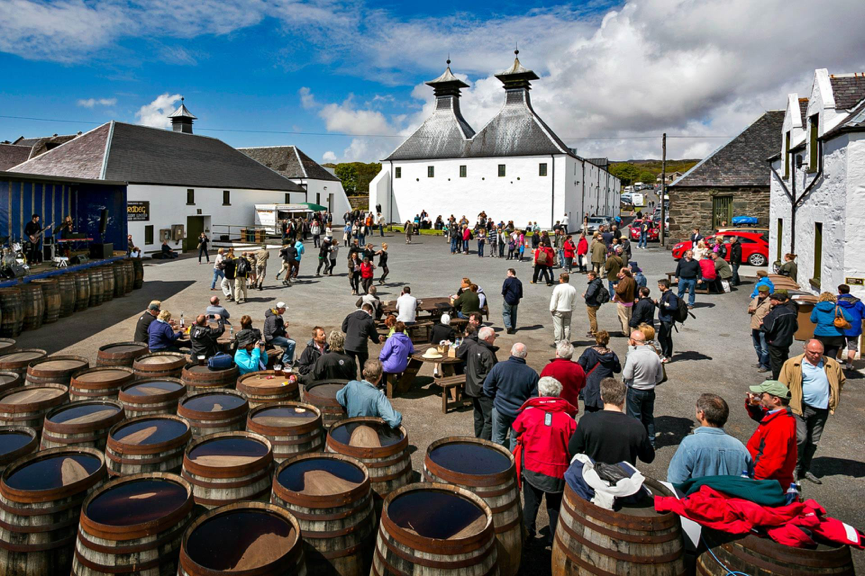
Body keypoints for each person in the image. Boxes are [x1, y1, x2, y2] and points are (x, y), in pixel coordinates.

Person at [512, 376, 576, 547]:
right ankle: (555, 539)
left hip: (533, 466)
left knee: (531, 504)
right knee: (555, 507)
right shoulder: (568, 419)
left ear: (540, 393)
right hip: (557, 470)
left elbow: (516, 429)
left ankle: (526, 535)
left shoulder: (529, 412)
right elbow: (575, 445)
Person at [778, 339, 846, 485]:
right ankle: (793, 469)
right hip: (800, 408)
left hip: (822, 409)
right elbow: (782, 386)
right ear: (804, 349)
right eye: (812, 352)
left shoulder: (831, 364)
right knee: (801, 439)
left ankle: (805, 469)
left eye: (819, 353)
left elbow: (840, 380)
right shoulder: (792, 364)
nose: (816, 355)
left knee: (813, 441)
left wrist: (833, 396)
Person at [667, 394, 752, 484]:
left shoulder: (690, 445)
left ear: (702, 414)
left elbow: (675, 481)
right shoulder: (741, 449)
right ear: (726, 418)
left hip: (697, 496)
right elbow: (749, 482)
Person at [568, 377, 655, 466]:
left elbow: (573, 449)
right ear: (623, 400)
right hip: (623, 477)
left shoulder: (586, 421)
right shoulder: (636, 426)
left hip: (594, 475)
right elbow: (648, 457)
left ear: (601, 397)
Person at [483, 343, 539, 451]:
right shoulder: (531, 374)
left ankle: (496, 463)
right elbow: (534, 397)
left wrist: (495, 399)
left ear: (511, 352)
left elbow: (487, 387)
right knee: (515, 440)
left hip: (499, 409)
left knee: (497, 439)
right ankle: (513, 465)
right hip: (519, 413)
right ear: (525, 355)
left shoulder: (499, 367)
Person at [744, 380, 797, 488]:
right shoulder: (778, 415)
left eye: (762, 395)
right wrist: (753, 405)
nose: (759, 397)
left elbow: (771, 463)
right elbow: (761, 416)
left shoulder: (781, 425)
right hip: (761, 478)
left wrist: (754, 482)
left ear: (776, 400)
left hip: (762, 483)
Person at [623, 330, 664, 448]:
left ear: (633, 341)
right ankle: (651, 442)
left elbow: (627, 375)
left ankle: (635, 442)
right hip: (650, 390)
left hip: (635, 390)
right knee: (648, 417)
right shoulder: (654, 356)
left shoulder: (633, 356)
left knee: (634, 418)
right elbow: (660, 376)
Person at [336, 359, 402, 428]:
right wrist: (398, 415)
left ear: (363, 372)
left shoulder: (351, 385)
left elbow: (339, 397)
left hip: (351, 429)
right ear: (380, 376)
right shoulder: (378, 396)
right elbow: (394, 421)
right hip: (370, 432)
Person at [462, 326, 499, 440]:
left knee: (478, 416)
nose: (494, 339)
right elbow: (492, 375)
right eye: (494, 337)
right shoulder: (487, 353)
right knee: (489, 420)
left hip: (472, 387)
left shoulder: (473, 348)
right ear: (487, 338)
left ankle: (478, 439)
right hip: (483, 390)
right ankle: (482, 443)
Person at [577, 331, 621, 413]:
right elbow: (617, 370)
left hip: (590, 385)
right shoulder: (612, 355)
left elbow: (579, 366)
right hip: (605, 386)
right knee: (603, 412)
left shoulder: (588, 352)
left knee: (589, 411)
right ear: (607, 341)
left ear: (597, 340)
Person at [761, 292, 798, 379]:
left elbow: (768, 328)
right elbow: (795, 327)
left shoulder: (775, 313)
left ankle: (777, 381)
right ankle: (786, 378)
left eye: (771, 299)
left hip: (775, 341)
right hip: (787, 341)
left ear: (777, 301)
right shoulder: (791, 312)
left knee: (776, 363)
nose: (770, 301)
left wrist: (762, 325)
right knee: (784, 360)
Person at [539, 341, 585, 411]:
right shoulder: (578, 368)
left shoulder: (549, 367)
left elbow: (541, 386)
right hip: (570, 406)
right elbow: (582, 384)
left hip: (553, 406)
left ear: (557, 352)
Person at [342, 303, 383, 377]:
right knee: (363, 365)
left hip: (349, 345)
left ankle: (351, 379)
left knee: (350, 364)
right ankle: (363, 380)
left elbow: (344, 328)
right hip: (361, 345)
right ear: (370, 311)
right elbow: (374, 336)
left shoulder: (350, 315)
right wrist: (378, 340)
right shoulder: (369, 320)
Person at [810, 292, 852, 360]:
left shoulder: (816, 308)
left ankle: (821, 369)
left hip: (820, 334)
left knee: (820, 355)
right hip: (836, 335)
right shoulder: (837, 308)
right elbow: (850, 318)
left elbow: (813, 320)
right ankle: (830, 369)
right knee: (832, 356)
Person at [837, 284, 865, 370]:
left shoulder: (837, 301)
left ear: (839, 291)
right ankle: (849, 364)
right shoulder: (858, 302)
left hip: (840, 324)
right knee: (852, 345)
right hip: (854, 326)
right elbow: (863, 314)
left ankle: (837, 359)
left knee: (839, 343)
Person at [749, 285, 773, 373]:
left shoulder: (770, 301)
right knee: (756, 346)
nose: (760, 294)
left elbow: (773, 314)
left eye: (763, 292)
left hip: (764, 328)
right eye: (759, 292)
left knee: (764, 348)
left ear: (767, 292)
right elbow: (749, 308)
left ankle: (765, 365)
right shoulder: (755, 299)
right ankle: (760, 361)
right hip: (755, 326)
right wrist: (751, 309)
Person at [549, 273, 577, 344]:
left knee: (558, 327)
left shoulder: (558, 288)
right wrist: (572, 308)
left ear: (562, 279)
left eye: (560, 278)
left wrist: (552, 308)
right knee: (567, 326)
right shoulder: (572, 288)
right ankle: (566, 341)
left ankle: (558, 342)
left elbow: (554, 299)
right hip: (568, 309)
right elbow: (574, 301)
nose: (559, 279)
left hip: (558, 310)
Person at [614, 269, 636, 336]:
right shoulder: (632, 279)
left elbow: (621, 291)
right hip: (630, 301)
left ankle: (625, 332)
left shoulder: (625, 280)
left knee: (624, 318)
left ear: (624, 273)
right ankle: (631, 331)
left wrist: (616, 287)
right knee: (629, 317)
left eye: (620, 272)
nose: (619, 273)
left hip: (623, 301)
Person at [501, 268, 523, 334]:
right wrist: (519, 298)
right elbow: (520, 291)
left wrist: (503, 295)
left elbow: (504, 289)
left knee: (506, 313)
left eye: (508, 273)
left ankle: (508, 326)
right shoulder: (519, 281)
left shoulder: (507, 280)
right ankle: (513, 327)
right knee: (514, 314)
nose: (507, 274)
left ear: (511, 273)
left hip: (508, 299)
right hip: (516, 300)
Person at [583, 271, 604, 338]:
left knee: (592, 318)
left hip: (592, 303)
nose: (587, 276)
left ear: (592, 276)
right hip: (596, 302)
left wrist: (585, 296)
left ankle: (594, 332)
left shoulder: (593, 284)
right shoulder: (598, 282)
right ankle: (592, 329)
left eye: (588, 275)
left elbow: (590, 293)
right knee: (593, 317)